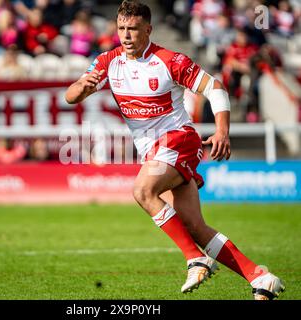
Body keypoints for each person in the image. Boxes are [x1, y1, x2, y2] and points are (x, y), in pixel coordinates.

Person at [65, 0, 285, 300]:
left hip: (179, 139)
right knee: (194, 226)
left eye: (133, 29)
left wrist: (222, 130)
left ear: (148, 29)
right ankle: (260, 278)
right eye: (121, 28)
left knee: (143, 191)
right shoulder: (107, 61)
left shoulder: (170, 60)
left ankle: (194, 259)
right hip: (155, 151)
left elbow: (215, 87)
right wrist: (83, 88)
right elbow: (71, 96)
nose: (126, 36)